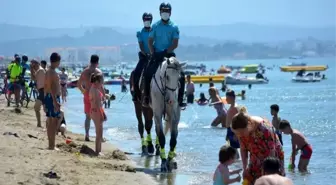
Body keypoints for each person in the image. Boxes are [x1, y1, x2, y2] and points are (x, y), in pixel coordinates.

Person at [142, 2, 186, 108]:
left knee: (182, 75)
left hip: (170, 54)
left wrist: (166, 51)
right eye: (163, 11)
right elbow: (150, 41)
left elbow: (175, 43)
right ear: (160, 12)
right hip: (157, 54)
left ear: (170, 12)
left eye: (167, 11)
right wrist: (153, 52)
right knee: (147, 73)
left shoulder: (174, 26)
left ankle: (180, 98)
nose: (165, 13)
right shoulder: (155, 26)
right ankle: (147, 96)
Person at [231, 112, 285, 185]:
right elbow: (243, 149)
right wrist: (245, 168)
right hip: (255, 155)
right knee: (249, 177)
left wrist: (268, 171)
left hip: (273, 156)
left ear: (249, 125)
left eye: (241, 133)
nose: (239, 136)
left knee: (271, 181)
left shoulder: (264, 129)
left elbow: (272, 151)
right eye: (237, 133)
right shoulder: (241, 131)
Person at [77, 55, 105, 141]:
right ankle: (100, 137)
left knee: (88, 117)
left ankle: (87, 135)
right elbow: (101, 87)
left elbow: (78, 85)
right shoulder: (98, 72)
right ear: (97, 62)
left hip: (87, 95)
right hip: (96, 96)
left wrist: (84, 91)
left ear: (90, 61)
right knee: (99, 117)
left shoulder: (85, 72)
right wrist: (104, 96)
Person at [131, 12, 153, 102]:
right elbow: (141, 45)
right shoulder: (140, 33)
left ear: (151, 20)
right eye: (145, 19)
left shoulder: (154, 31)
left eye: (148, 19)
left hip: (154, 56)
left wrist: (153, 53)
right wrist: (146, 53)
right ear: (143, 20)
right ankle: (136, 94)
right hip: (144, 57)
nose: (147, 21)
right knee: (136, 73)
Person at [44, 52, 61, 150]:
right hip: (52, 97)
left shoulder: (49, 71)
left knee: (51, 121)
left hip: (50, 97)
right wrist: (55, 101)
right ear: (56, 61)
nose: (59, 64)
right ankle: (52, 145)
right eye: (59, 62)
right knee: (53, 122)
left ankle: (51, 144)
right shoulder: (51, 72)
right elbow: (50, 87)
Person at [89, 73, 107, 155]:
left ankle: (98, 150)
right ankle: (97, 151)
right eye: (101, 82)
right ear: (97, 81)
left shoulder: (93, 88)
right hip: (96, 112)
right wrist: (102, 114)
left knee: (99, 132)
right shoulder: (95, 90)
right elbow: (97, 104)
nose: (102, 84)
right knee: (99, 133)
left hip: (94, 111)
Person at [30, 60, 45, 127]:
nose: (32, 66)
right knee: (44, 109)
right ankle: (39, 124)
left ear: (36, 64)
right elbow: (33, 78)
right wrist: (31, 70)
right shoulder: (39, 70)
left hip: (43, 91)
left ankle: (39, 124)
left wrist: (31, 70)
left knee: (37, 108)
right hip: (42, 91)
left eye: (33, 65)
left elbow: (34, 79)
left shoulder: (40, 71)